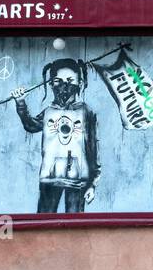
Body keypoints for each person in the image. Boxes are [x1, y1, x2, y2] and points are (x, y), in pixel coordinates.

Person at [11, 58, 100, 213]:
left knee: (74, 223)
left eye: (70, 80)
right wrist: (20, 103)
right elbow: (31, 125)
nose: (64, 85)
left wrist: (92, 183)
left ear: (79, 83)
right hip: (49, 178)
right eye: (58, 81)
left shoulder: (86, 112)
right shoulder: (48, 111)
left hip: (78, 180)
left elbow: (94, 150)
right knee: (43, 219)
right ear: (51, 84)